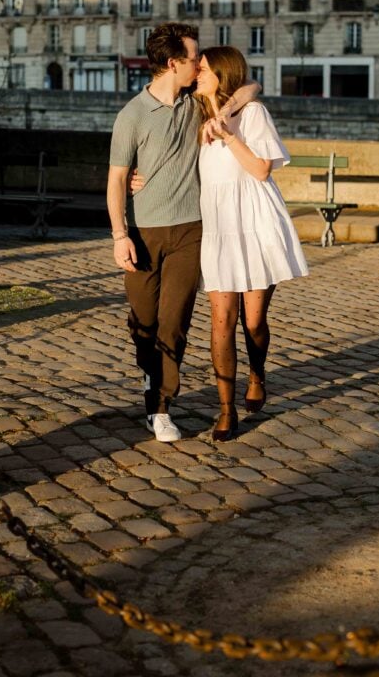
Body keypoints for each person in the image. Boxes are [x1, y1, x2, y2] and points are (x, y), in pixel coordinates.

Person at [107, 23, 256, 442]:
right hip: (142, 233)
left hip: (191, 230)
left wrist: (223, 113)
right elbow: (117, 180)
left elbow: (250, 86)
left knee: (174, 324)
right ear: (173, 64)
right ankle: (151, 380)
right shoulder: (132, 115)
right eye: (194, 59)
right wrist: (120, 235)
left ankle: (161, 408)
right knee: (144, 323)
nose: (199, 64)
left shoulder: (198, 105)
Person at [195, 46, 308, 441]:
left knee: (254, 320)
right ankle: (226, 410)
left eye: (204, 69)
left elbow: (261, 170)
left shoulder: (253, 114)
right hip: (219, 227)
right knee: (222, 320)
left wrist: (228, 135)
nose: (197, 73)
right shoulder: (199, 118)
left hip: (257, 223)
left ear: (222, 73)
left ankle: (257, 372)